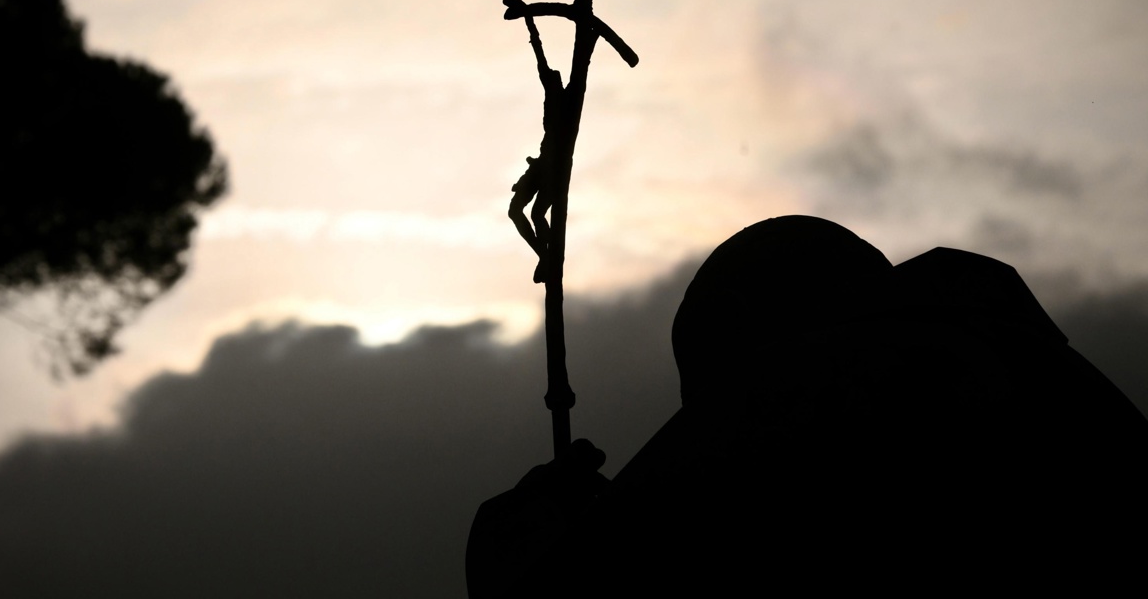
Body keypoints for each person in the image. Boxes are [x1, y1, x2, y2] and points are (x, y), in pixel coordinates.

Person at [467, 216, 1148, 596]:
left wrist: (527, 548)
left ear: (739, 331)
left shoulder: (816, 381)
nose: (706, 412)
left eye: (704, 387)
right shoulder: (1027, 369)